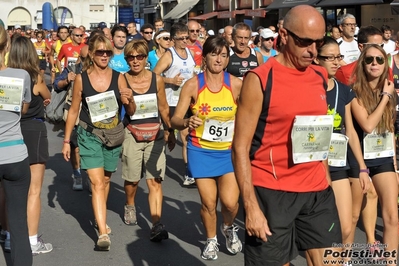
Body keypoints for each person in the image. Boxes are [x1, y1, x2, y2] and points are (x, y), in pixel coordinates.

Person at [232, 5, 342, 265]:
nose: (313, 51)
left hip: (316, 191)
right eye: (305, 42)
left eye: (318, 42)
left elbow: (318, 130)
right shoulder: (259, 79)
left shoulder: (318, 74)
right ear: (283, 34)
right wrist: (251, 207)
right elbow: (239, 148)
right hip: (272, 192)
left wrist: (325, 178)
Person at [171, 36, 243, 260]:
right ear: (206, 57)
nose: (219, 59)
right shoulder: (193, 85)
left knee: (230, 204)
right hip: (200, 151)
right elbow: (175, 119)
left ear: (228, 58)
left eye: (223, 55)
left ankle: (229, 227)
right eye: (214, 54)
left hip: (228, 152)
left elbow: (249, 117)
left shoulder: (237, 84)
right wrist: (186, 122)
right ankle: (211, 239)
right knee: (209, 203)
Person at [62, 34, 136, 251]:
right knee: (95, 183)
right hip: (89, 134)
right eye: (100, 52)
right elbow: (74, 110)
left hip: (112, 135)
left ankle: (98, 215)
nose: (104, 56)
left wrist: (128, 100)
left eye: (108, 53)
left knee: (104, 182)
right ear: (92, 55)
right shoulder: (81, 79)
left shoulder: (119, 77)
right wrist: (67, 141)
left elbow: (131, 111)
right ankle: (103, 233)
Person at [313, 36, 371, 262]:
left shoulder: (343, 89)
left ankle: (343, 260)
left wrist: (363, 168)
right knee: (322, 230)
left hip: (338, 162)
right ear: (317, 59)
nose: (337, 62)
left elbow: (351, 131)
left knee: (347, 228)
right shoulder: (308, 88)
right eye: (330, 58)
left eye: (339, 57)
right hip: (311, 162)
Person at [121, 39, 175, 241]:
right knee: (132, 180)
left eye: (140, 57)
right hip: (131, 133)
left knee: (155, 181)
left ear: (146, 58)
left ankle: (156, 223)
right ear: (126, 59)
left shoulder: (157, 80)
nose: (135, 61)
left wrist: (170, 130)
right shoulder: (122, 79)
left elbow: (163, 108)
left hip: (155, 134)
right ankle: (130, 204)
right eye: (131, 57)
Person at [350, 44, 398, 265]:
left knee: (392, 217)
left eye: (379, 60)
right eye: (369, 60)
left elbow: (389, 129)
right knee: (351, 219)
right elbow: (368, 125)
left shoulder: (389, 89)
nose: (375, 64)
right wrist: (386, 97)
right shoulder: (355, 92)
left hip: (384, 158)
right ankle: (364, 244)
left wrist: (395, 167)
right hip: (361, 160)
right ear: (363, 63)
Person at [8, 35, 53, 254]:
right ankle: (32, 240)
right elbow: (47, 96)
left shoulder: (6, 76)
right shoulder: (36, 77)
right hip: (34, 132)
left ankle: (8, 236)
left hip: (9, 132)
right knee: (33, 190)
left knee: (6, 188)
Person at [0, 25, 32, 266]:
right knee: (19, 223)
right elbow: (23, 109)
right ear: (7, 46)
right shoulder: (21, 76)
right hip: (15, 154)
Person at [154, 22, 196, 186]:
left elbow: (192, 73)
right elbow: (153, 76)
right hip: (171, 101)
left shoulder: (190, 53)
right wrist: (170, 80)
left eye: (187, 37)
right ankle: (155, 163)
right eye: (182, 38)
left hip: (188, 101)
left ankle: (189, 173)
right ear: (173, 39)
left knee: (187, 136)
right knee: (168, 136)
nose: (186, 41)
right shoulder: (169, 55)